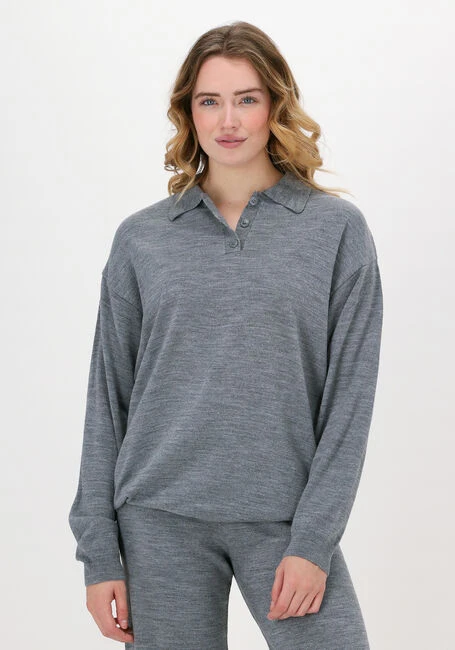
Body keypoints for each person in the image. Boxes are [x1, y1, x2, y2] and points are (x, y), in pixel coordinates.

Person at [68, 20, 383, 650]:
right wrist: (99, 554)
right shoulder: (142, 239)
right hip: (158, 518)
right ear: (189, 112)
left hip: (284, 518)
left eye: (247, 99)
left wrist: (315, 540)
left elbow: (350, 401)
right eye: (210, 100)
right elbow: (109, 398)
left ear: (275, 106)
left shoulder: (335, 231)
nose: (228, 120)